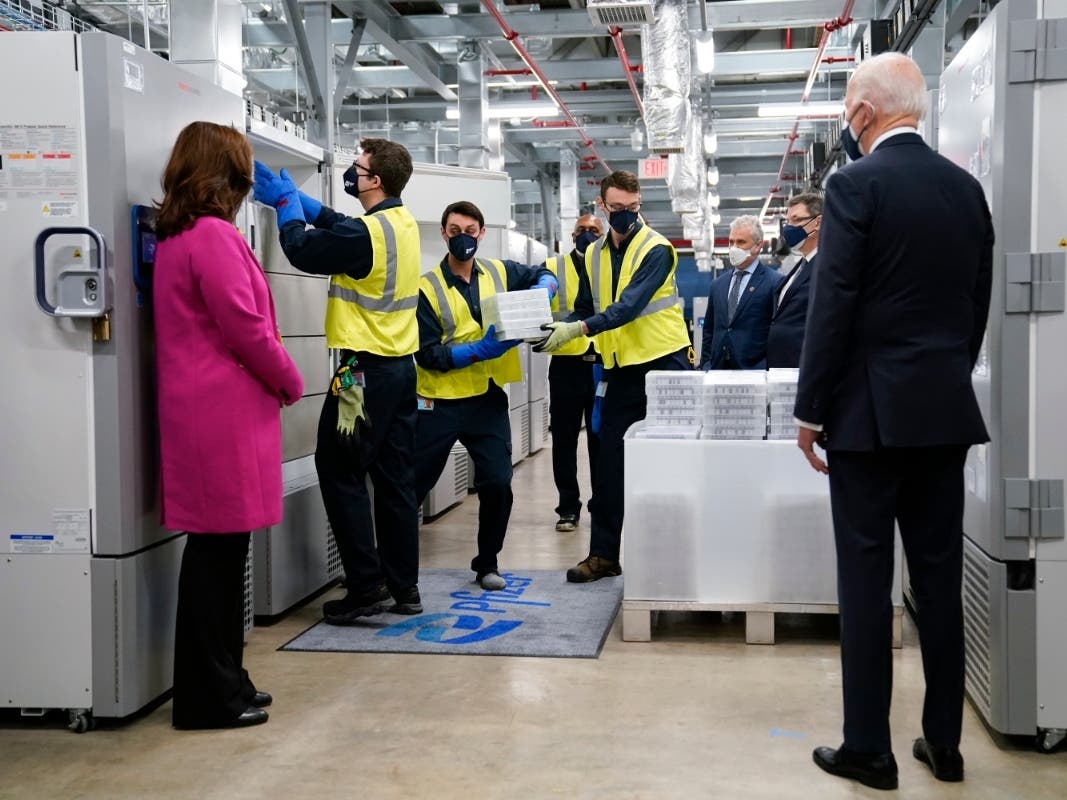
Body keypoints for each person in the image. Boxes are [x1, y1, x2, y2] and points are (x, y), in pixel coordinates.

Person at [795, 52, 993, 791]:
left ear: (863, 112)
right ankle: (943, 743)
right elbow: (975, 301)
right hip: (942, 413)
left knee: (865, 582)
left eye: (848, 105)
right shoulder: (965, 190)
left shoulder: (853, 184)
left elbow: (833, 303)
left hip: (864, 421)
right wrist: (942, 375)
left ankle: (868, 749)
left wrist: (809, 410)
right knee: (938, 581)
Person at [154, 121, 304, 729]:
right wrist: (291, 378)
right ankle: (205, 696)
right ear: (225, 172)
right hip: (218, 413)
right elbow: (245, 326)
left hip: (208, 410)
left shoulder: (178, 234)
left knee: (219, 553)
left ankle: (227, 680)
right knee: (216, 558)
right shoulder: (212, 236)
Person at [253, 138, 423, 625]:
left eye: (359, 167)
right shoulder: (400, 223)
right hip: (399, 370)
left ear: (375, 181)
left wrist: (289, 208)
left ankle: (366, 586)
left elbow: (303, 249)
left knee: (338, 466)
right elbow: (347, 228)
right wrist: (310, 204)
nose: (353, 171)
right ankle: (403, 587)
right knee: (394, 480)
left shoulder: (367, 235)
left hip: (362, 374)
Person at [537, 170, 693, 583]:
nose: (625, 216)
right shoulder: (593, 255)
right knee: (610, 465)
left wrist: (579, 330)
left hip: (665, 366)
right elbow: (587, 305)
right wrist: (552, 328)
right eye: (617, 209)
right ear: (602, 206)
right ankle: (604, 555)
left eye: (633, 208)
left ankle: (675, 560)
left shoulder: (656, 249)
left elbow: (626, 307)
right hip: (622, 372)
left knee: (670, 465)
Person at [414, 200, 558, 590]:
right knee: (411, 486)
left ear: (483, 233)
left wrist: (545, 287)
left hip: (487, 401)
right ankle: (389, 565)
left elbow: (544, 273)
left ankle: (487, 564)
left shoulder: (499, 270)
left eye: (471, 230)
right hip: (437, 402)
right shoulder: (426, 288)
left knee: (497, 483)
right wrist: (480, 349)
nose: (464, 237)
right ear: (444, 234)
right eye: (455, 230)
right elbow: (427, 354)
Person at [544, 214, 604, 533]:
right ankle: (568, 508)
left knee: (599, 439)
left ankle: (600, 504)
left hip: (600, 363)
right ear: (572, 234)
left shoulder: (609, 265)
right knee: (564, 441)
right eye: (582, 230)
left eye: (594, 230)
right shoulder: (553, 267)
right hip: (566, 364)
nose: (587, 235)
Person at [699, 215, 783, 370]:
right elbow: (709, 329)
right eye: (731, 242)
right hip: (718, 370)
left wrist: (769, 368)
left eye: (741, 242)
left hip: (755, 371)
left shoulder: (774, 282)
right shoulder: (718, 284)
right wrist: (706, 363)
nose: (734, 247)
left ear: (757, 246)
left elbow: (779, 333)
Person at [766, 192, 821, 368]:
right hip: (783, 366)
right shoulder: (802, 265)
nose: (789, 228)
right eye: (788, 221)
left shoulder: (828, 267)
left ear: (817, 222)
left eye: (796, 220)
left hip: (807, 366)